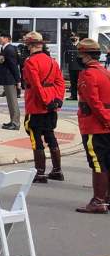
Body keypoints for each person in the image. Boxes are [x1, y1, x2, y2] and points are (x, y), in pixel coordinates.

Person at [20, 31, 66, 184]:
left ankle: (40, 173)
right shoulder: (52, 61)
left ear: (29, 45)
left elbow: (36, 85)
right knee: (50, 134)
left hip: (37, 104)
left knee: (35, 137)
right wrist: (58, 99)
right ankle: (57, 170)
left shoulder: (30, 62)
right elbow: (60, 82)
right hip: (52, 101)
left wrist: (45, 101)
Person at [73, 38, 110, 213]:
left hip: (95, 125)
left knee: (97, 162)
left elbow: (94, 103)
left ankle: (98, 201)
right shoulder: (104, 71)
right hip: (105, 122)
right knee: (106, 162)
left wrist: (105, 120)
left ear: (86, 56)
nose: (78, 58)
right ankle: (106, 198)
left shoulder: (88, 74)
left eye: (80, 54)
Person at [0, 34, 22, 130]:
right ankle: (12, 121)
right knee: (10, 102)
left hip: (10, 79)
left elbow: (14, 66)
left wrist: (18, 80)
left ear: (7, 39)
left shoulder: (9, 49)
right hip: (7, 78)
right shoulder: (4, 49)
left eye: (1, 37)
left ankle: (15, 123)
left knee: (13, 102)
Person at [64, 33, 83, 102]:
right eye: (72, 36)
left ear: (78, 38)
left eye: (75, 37)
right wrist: (67, 64)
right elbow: (66, 55)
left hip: (79, 67)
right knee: (73, 82)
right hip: (72, 67)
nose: (73, 38)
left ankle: (82, 97)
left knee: (81, 83)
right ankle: (73, 96)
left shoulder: (81, 46)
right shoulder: (69, 46)